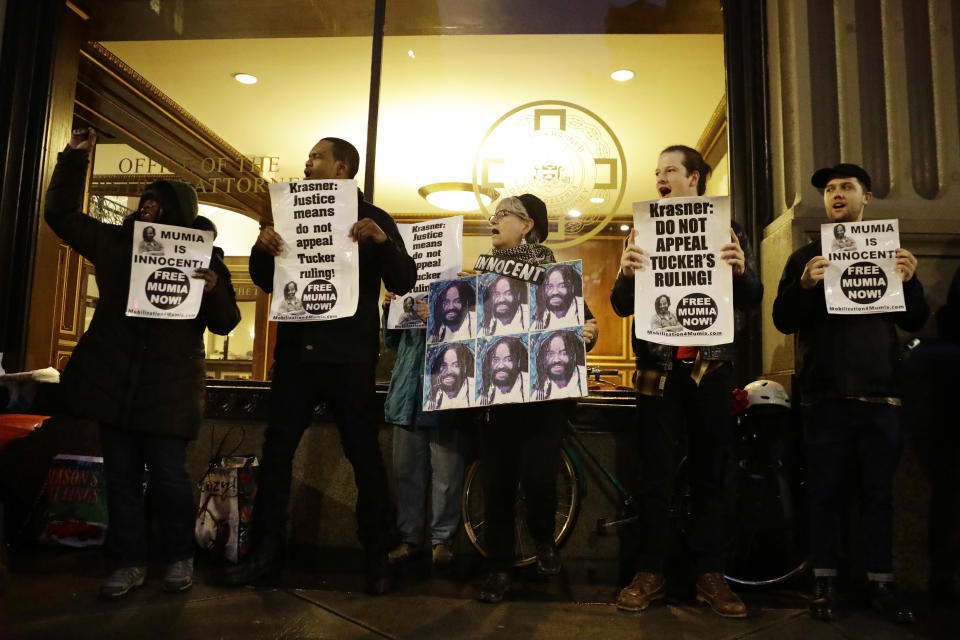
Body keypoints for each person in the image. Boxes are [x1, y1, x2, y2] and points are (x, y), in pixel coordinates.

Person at [45, 128, 240, 599]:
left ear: (179, 214)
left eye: (157, 202)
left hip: (169, 392)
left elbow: (226, 323)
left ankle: (178, 557)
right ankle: (128, 562)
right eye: (144, 201)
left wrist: (214, 289)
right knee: (121, 480)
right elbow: (60, 215)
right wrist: (73, 158)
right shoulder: (116, 244)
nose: (146, 207)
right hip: (115, 385)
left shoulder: (206, 257)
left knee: (172, 479)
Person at [224, 137, 416, 594]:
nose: (307, 164)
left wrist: (382, 241)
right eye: (308, 158)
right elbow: (266, 280)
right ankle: (266, 554)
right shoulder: (289, 211)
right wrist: (262, 246)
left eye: (316, 157)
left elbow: (404, 281)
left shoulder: (373, 216)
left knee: (364, 456)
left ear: (341, 167)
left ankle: (376, 557)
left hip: (349, 358)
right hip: (295, 356)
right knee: (276, 455)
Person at [610, 144, 761, 618]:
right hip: (656, 369)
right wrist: (625, 271)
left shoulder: (727, 229)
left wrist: (739, 269)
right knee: (654, 473)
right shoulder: (640, 230)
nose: (660, 177)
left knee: (710, 472)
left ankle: (708, 574)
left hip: (711, 370)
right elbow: (620, 304)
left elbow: (753, 297)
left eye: (670, 170)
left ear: (694, 177)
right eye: (657, 171)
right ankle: (650, 571)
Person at [772, 163, 926, 623]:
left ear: (867, 197)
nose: (836, 194)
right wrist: (803, 287)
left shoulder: (893, 252)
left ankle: (882, 583)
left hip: (881, 395)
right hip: (824, 395)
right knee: (823, 493)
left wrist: (911, 278)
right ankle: (825, 583)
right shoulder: (805, 257)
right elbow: (782, 319)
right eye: (829, 189)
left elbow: (914, 319)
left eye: (846, 187)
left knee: (879, 495)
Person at [475, 194, 598, 603]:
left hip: (544, 402)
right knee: (498, 484)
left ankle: (544, 539)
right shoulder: (482, 277)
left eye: (502, 215)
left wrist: (590, 331)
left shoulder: (555, 273)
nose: (493, 220)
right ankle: (497, 569)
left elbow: (586, 320)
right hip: (499, 398)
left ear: (526, 225)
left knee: (539, 475)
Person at [382, 293, 468, 567]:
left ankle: (442, 540)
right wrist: (390, 311)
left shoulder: (459, 289)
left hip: (445, 396)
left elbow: (471, 342)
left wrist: (441, 319)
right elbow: (391, 342)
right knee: (406, 471)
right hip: (408, 394)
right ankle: (410, 539)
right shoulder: (405, 286)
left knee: (447, 474)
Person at [533, 330, 586, 401]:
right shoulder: (538, 391)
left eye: (563, 353)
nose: (556, 360)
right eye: (550, 354)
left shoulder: (583, 377)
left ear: (572, 355)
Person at [478, 336, 528, 405]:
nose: (501, 365)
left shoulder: (529, 383)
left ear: (518, 362)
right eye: (496, 360)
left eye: (508, 360)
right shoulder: (483, 388)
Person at [426, 342, 475, 410]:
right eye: (444, 365)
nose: (448, 371)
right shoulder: (432, 394)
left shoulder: (475, 388)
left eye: (455, 365)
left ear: (464, 368)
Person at [532, 263, 582, 330]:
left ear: (572, 288)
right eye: (549, 286)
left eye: (562, 286)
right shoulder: (541, 318)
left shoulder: (581, 307)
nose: (555, 292)